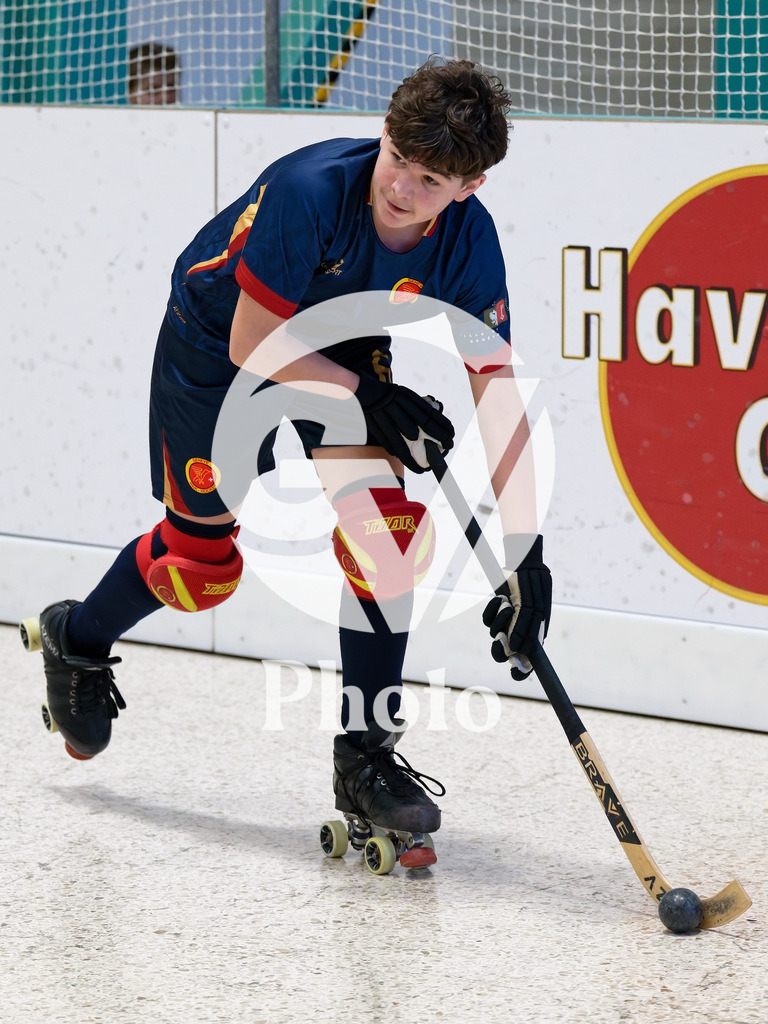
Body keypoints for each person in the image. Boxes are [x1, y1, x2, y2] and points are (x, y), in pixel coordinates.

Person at [23, 58, 552, 862]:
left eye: (432, 179)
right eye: (398, 160)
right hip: (220, 340)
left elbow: (498, 390)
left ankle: (365, 758)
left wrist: (525, 553)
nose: (403, 189)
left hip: (336, 339)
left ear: (471, 186)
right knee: (199, 568)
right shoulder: (312, 191)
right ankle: (79, 636)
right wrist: (372, 399)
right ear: (385, 133)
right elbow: (252, 341)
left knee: (389, 536)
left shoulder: (469, 245)